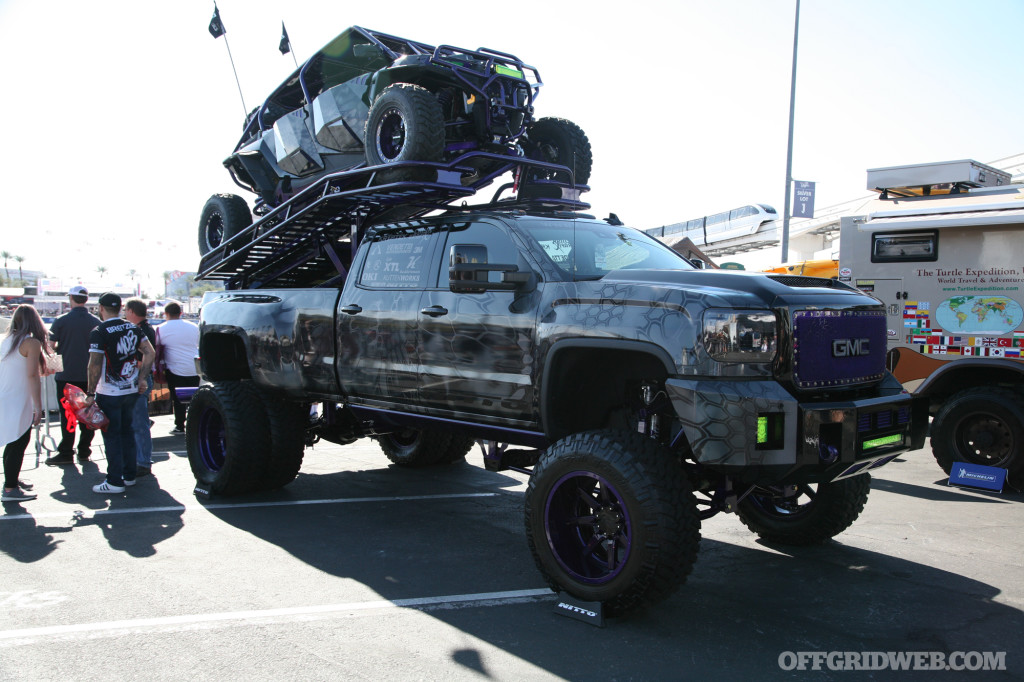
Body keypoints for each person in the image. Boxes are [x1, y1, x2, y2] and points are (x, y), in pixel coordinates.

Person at [83, 293, 155, 494]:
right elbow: (150, 352)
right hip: (131, 389)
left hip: (110, 391)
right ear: (121, 307)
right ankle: (129, 475)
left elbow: (94, 363)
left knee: (112, 436)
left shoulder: (99, 331)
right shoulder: (133, 327)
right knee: (127, 432)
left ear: (100, 308)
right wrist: (141, 378)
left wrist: (90, 392)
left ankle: (114, 481)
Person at [46, 285, 101, 466]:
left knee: (67, 414)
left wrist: (54, 368)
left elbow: (50, 347)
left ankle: (67, 451)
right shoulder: (96, 322)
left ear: (71, 298)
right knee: (88, 413)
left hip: (66, 375)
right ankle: (84, 450)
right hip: (89, 377)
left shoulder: (61, 321)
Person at [1, 305, 50, 502]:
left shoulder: (7, 340)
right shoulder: (31, 342)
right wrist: (38, 406)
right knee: (18, 441)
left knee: (14, 441)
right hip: (18, 398)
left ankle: (11, 481)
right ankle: (10, 488)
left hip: (7, 396)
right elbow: (32, 375)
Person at [156, 301, 200, 435]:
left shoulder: (160, 328)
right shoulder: (194, 326)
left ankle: (180, 425)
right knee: (194, 398)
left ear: (166, 313)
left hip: (174, 368)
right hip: (194, 367)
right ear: (181, 313)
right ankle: (197, 424)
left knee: (178, 399)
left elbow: (158, 347)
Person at [125, 298, 156, 476]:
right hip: (143, 378)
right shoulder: (146, 328)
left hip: (140, 378)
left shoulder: (140, 330)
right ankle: (141, 459)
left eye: (126, 311)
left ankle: (143, 461)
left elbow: (144, 357)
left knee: (139, 423)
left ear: (131, 311)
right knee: (138, 422)